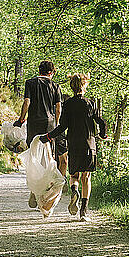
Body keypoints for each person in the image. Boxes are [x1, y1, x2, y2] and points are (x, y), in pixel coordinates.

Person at [40, 73, 106, 221]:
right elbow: (101, 121)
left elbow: (62, 126)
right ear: (84, 85)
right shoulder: (90, 103)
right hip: (89, 144)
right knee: (86, 177)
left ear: (72, 87)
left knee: (74, 175)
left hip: (74, 144)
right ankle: (83, 211)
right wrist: (103, 134)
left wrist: (48, 136)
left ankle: (74, 190)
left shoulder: (67, 104)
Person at [14, 60, 62, 208]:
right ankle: (43, 194)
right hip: (50, 125)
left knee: (34, 157)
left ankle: (34, 192)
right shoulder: (55, 86)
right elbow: (58, 108)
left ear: (39, 70)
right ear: (51, 72)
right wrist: (57, 125)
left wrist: (21, 119)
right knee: (47, 158)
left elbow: (27, 102)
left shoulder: (30, 83)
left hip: (34, 124)